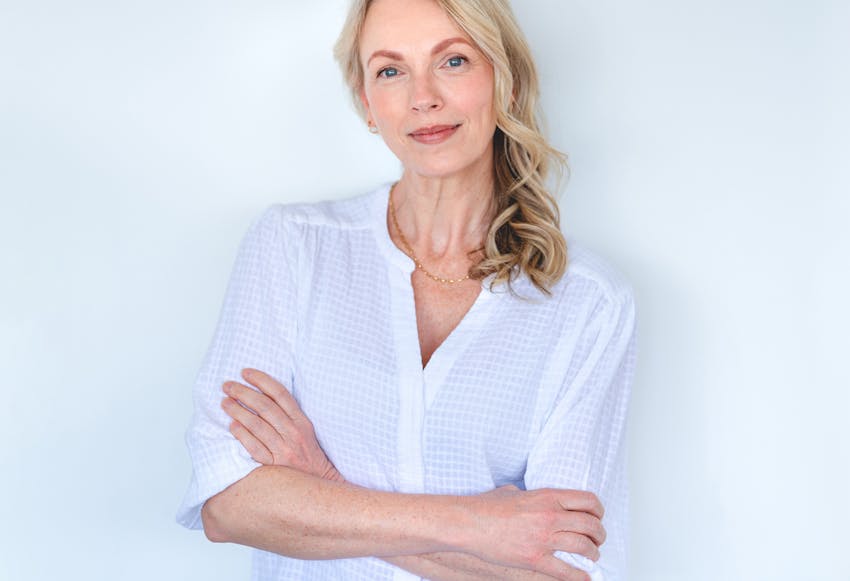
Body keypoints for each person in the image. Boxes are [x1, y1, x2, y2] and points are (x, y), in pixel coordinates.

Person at [176, 0, 637, 579]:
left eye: (453, 61)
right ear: (368, 102)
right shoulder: (293, 247)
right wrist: (478, 526)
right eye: (391, 70)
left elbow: (564, 570)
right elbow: (229, 503)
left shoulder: (588, 303)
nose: (423, 97)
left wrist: (322, 485)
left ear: (508, 82)